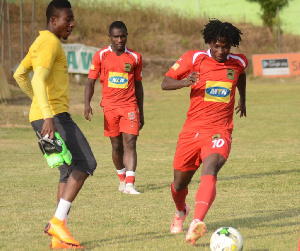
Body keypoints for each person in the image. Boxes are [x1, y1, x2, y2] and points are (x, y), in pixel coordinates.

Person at [13, 0, 97, 249]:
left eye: (72, 20)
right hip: (54, 117)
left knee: (67, 171)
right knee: (86, 163)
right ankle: (58, 223)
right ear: (53, 20)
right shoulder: (50, 43)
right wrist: (47, 113)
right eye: (67, 20)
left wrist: (39, 106)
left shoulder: (39, 42)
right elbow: (37, 78)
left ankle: (57, 238)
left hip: (42, 116)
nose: (71, 24)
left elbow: (19, 74)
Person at [161, 19, 247, 245]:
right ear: (209, 42)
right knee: (179, 184)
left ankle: (196, 222)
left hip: (220, 130)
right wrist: (185, 82)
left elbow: (242, 75)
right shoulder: (194, 58)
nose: (221, 51)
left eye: (226, 46)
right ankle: (181, 211)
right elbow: (165, 82)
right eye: (217, 46)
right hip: (192, 131)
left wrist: (243, 99)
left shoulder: (238, 62)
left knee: (211, 167)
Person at [84, 21, 144, 195]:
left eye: (123, 36)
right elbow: (90, 81)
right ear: (110, 37)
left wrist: (141, 111)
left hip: (130, 106)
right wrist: (87, 104)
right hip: (109, 107)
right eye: (116, 36)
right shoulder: (100, 55)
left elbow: (139, 86)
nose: (119, 39)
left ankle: (130, 184)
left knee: (130, 143)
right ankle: (122, 178)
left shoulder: (135, 57)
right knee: (117, 146)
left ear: (127, 36)